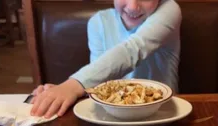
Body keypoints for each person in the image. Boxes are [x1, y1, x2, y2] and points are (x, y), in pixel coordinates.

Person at [31, 0, 181, 118]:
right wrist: (59, 92)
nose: (133, 6)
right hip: (113, 116)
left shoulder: (169, 9)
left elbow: (133, 50)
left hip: (162, 113)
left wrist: (73, 85)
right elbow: (100, 83)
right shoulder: (99, 22)